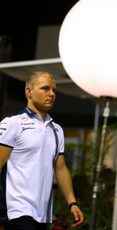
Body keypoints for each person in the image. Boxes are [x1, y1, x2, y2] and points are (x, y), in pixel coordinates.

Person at [0, 71, 84, 229]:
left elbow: (61, 169)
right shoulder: (12, 124)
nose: (51, 94)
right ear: (29, 91)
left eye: (54, 90)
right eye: (45, 88)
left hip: (43, 213)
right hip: (17, 210)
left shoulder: (56, 129)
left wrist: (72, 203)